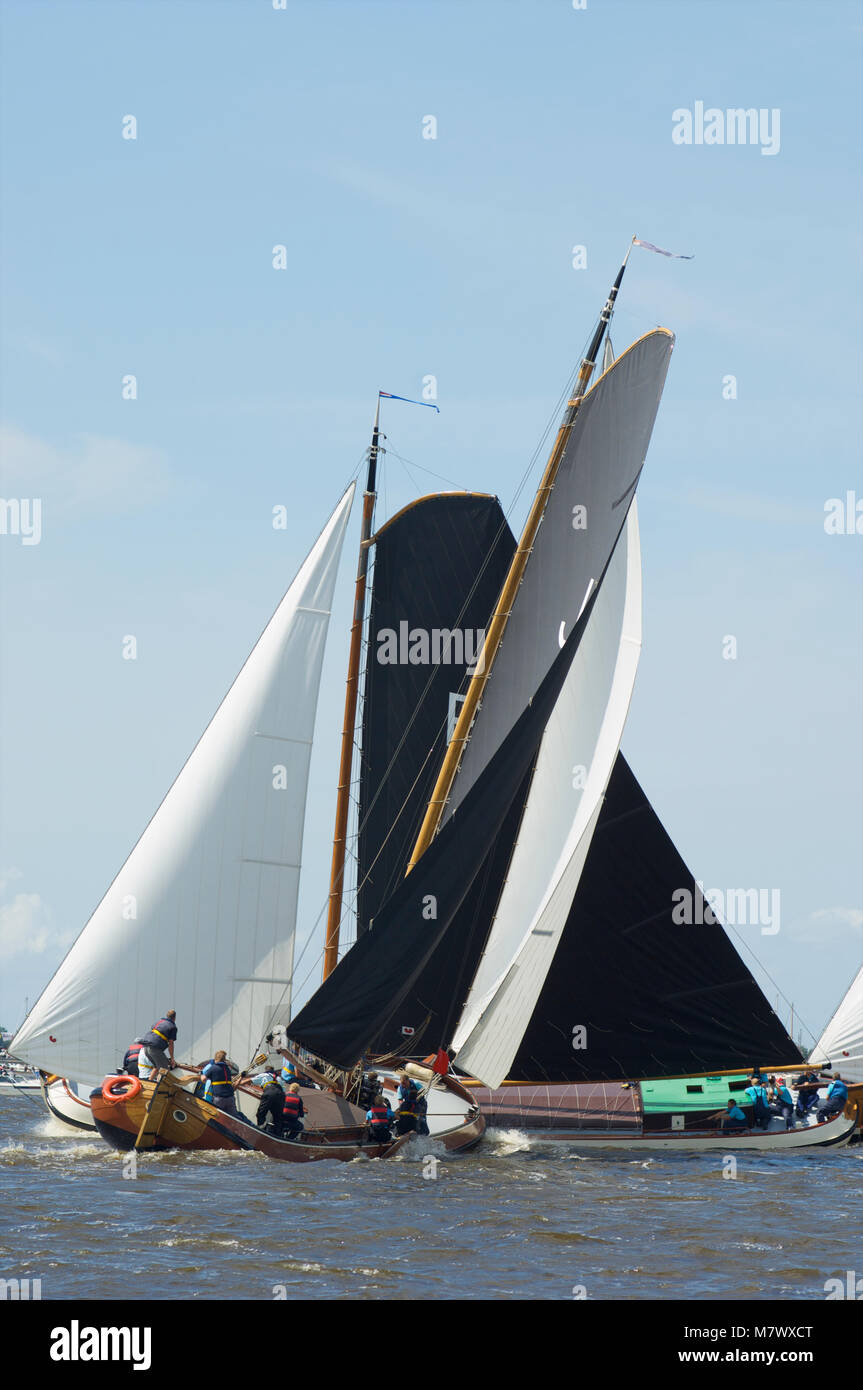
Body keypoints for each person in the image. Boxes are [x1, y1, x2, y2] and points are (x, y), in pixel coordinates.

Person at [201, 1050, 239, 1116]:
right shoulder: (227, 1069)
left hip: (219, 1099)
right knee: (234, 1117)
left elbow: (204, 1079)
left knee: (218, 1117)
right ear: (224, 1059)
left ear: (215, 1059)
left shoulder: (213, 1068)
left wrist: (201, 1074)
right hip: (231, 1098)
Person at [139, 1011, 177, 1076]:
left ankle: (150, 1082)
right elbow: (171, 1044)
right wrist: (172, 1058)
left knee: (157, 1067)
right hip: (155, 1048)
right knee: (164, 1070)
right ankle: (160, 1085)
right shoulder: (172, 1027)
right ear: (174, 1018)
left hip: (146, 1047)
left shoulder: (158, 1022)